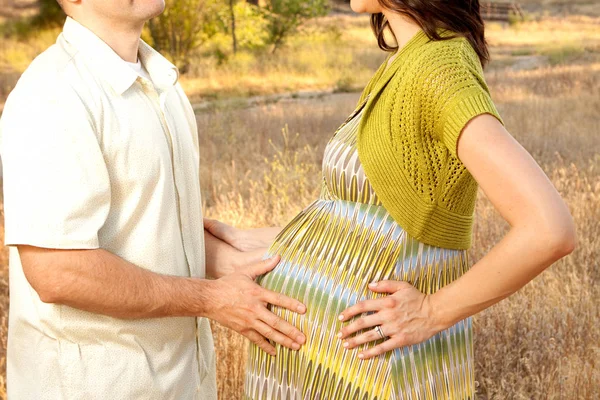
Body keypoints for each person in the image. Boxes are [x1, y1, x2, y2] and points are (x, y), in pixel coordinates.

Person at [204, 0, 577, 398]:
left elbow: (548, 229)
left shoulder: (440, 68)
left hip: (371, 365)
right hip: (326, 359)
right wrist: (277, 239)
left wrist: (431, 313)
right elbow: (377, 217)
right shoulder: (406, 60)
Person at [0, 1, 308, 399]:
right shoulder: (53, 94)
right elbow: (59, 270)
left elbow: (145, 220)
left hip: (181, 382)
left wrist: (234, 259)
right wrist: (212, 298)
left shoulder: (162, 81)